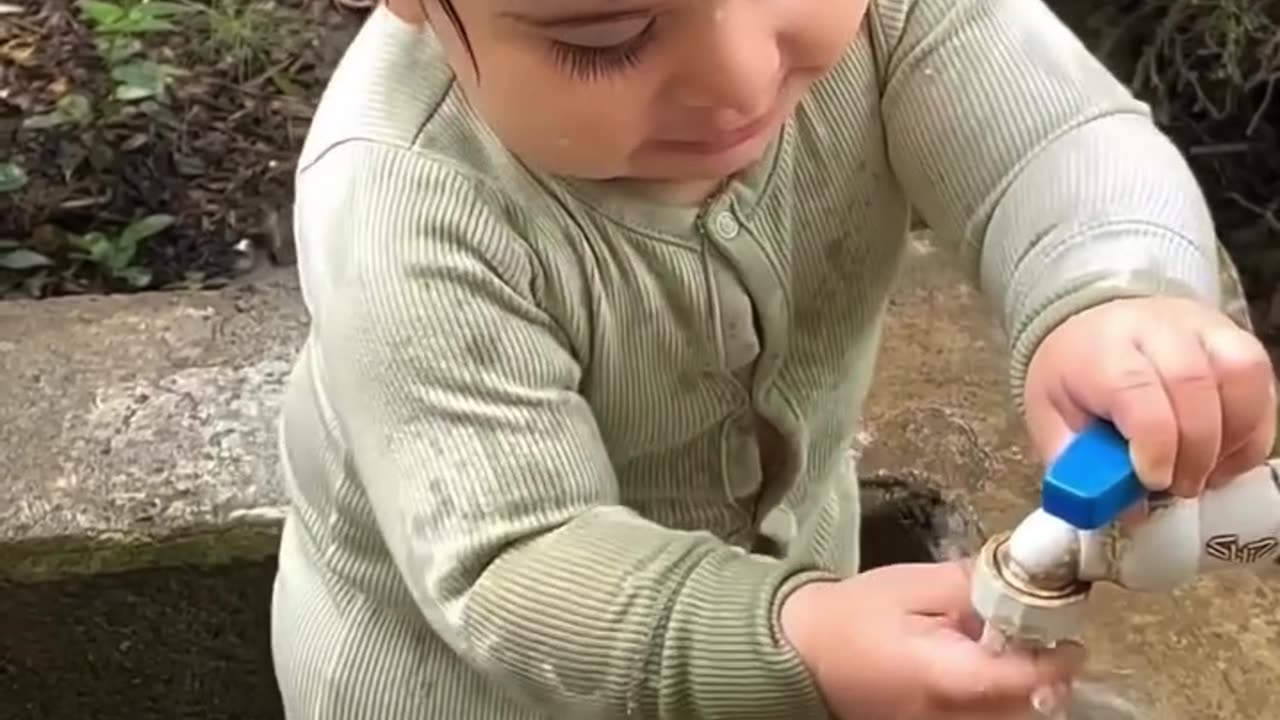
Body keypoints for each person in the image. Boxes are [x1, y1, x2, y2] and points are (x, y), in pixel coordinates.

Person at [268, 0, 1277, 718]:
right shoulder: (403, 205)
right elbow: (512, 562)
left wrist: (1112, 294)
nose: (741, 75)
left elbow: (1050, 143)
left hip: (792, 591)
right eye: (606, 38)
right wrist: (789, 645)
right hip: (467, 684)